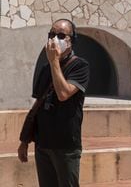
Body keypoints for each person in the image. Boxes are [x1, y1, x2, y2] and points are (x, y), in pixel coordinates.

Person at [17, 19, 90, 187]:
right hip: (43, 144)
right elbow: (38, 106)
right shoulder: (45, 69)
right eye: (51, 34)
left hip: (65, 146)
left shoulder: (80, 66)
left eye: (61, 35)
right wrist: (25, 141)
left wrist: (54, 62)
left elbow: (63, 93)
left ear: (72, 40)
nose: (55, 39)